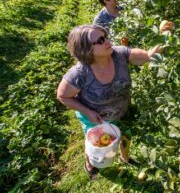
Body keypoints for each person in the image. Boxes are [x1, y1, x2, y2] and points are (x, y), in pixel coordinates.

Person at [56, 24, 162, 180]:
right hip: (97, 118)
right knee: (98, 146)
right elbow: (62, 96)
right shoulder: (80, 74)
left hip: (121, 110)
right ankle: (90, 165)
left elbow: (144, 56)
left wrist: (152, 51)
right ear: (86, 49)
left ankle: (125, 158)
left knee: (126, 135)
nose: (108, 41)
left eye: (105, 36)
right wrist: (88, 112)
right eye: (100, 40)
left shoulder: (119, 54)